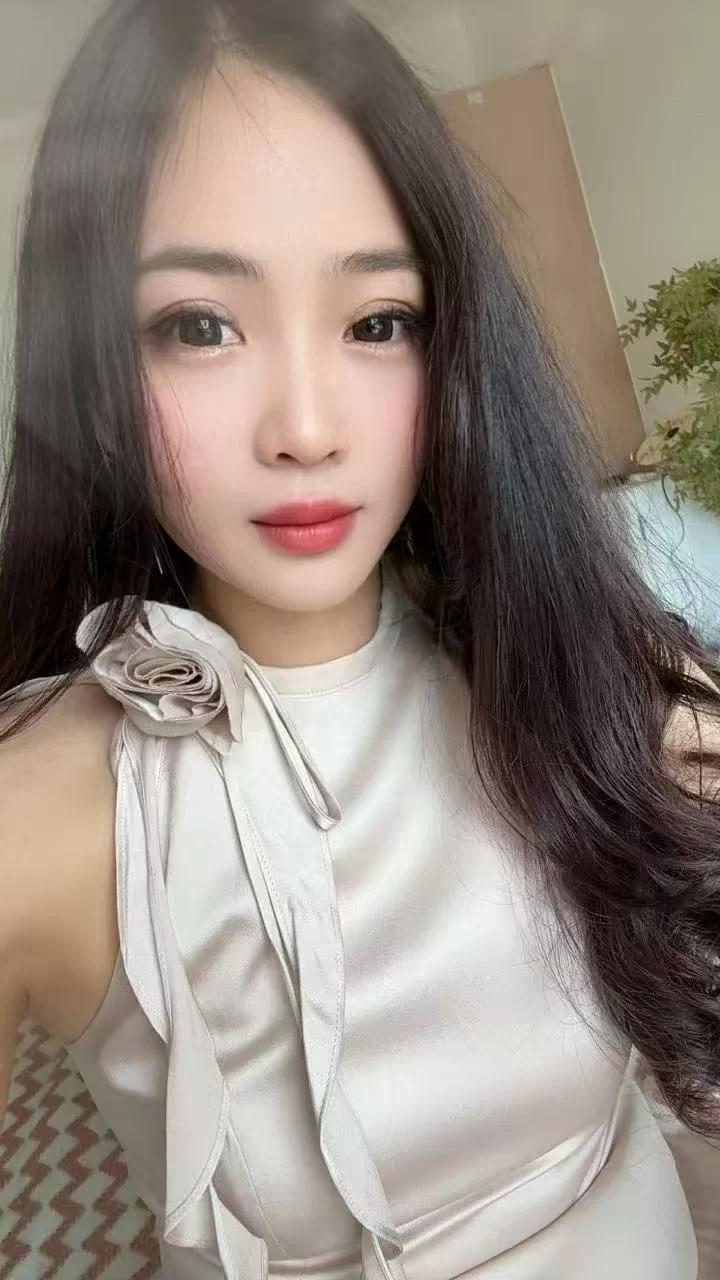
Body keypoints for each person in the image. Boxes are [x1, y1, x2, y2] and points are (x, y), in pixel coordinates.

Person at [0, 0, 719, 1276]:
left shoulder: (579, 672)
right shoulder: (42, 815)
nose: (307, 427)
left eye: (378, 320)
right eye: (200, 325)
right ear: (95, 366)